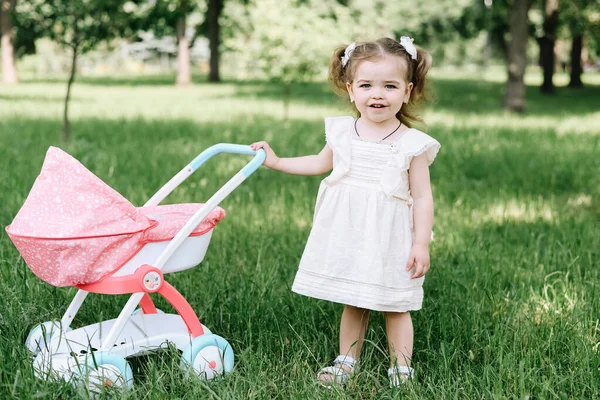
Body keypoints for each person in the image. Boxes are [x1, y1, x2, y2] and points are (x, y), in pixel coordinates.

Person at [250, 37, 440, 387]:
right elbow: (318, 163)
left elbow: (424, 197)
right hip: (350, 231)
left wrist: (421, 243)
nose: (377, 94)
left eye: (390, 86)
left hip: (391, 233)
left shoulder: (412, 144)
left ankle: (401, 368)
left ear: (408, 91)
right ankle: (346, 361)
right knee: (355, 298)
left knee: (395, 302)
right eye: (367, 85)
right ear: (351, 89)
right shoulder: (342, 132)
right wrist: (275, 161)